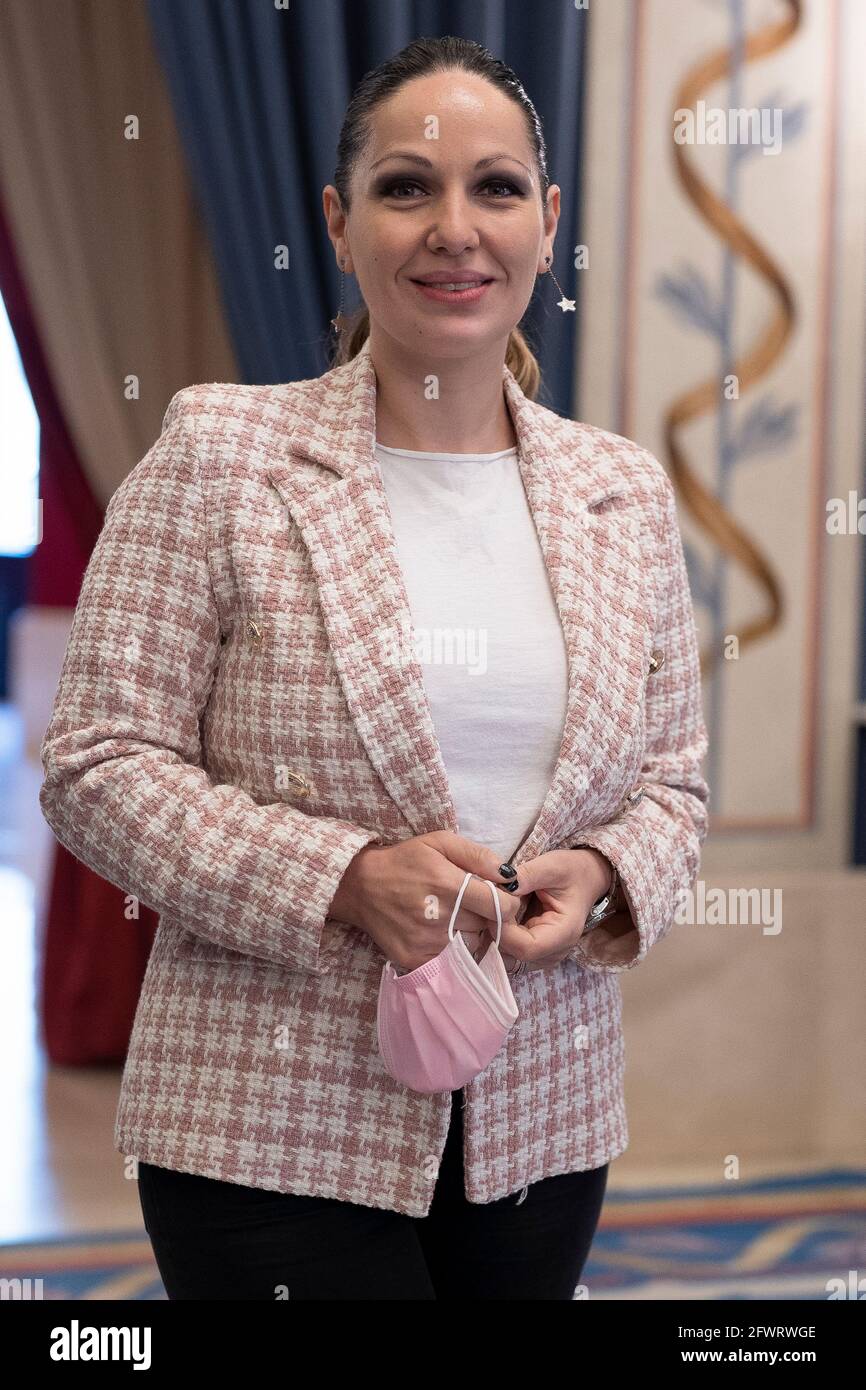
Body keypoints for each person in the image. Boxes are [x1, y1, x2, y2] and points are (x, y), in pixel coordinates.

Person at [39, 35, 709, 1300]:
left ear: (546, 221)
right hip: (268, 1123)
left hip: (539, 1123)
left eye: (495, 188)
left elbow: (671, 784)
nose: (454, 229)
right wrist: (344, 876)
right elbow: (94, 763)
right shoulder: (221, 452)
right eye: (407, 187)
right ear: (340, 223)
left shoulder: (620, 488)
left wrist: (607, 872)